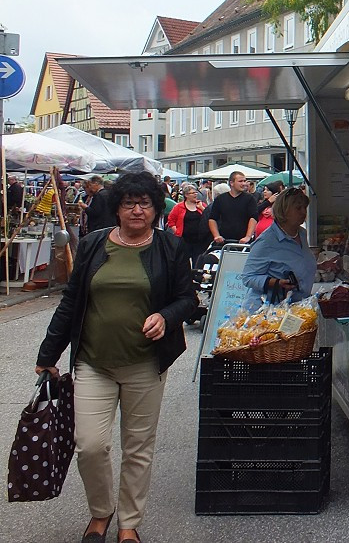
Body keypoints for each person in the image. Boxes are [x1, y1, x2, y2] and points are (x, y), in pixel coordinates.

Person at [34, 171, 196, 543]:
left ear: (156, 209)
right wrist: (48, 354)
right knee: (90, 445)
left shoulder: (171, 248)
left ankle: (128, 523)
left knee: (138, 447)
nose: (137, 210)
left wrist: (166, 317)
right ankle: (100, 512)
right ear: (118, 208)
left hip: (146, 364)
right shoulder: (93, 245)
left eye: (146, 204)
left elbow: (187, 299)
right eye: (129, 203)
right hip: (93, 362)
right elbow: (71, 303)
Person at [241, 187, 316, 308]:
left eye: (304, 208)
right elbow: (248, 277)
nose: (303, 212)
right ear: (284, 210)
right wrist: (276, 283)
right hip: (268, 312)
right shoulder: (267, 241)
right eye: (298, 208)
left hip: (295, 308)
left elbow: (299, 260)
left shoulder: (301, 233)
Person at [205, 171, 258, 245]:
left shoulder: (249, 198)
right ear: (231, 183)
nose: (244, 184)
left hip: (243, 241)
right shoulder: (220, 199)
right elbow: (212, 218)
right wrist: (216, 235)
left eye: (244, 181)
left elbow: (253, 218)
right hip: (224, 241)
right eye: (240, 181)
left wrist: (248, 236)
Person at [166, 183, 208, 269]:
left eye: (196, 192)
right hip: (184, 239)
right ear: (186, 195)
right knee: (183, 262)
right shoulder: (179, 207)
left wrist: (201, 208)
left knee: (198, 262)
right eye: (193, 193)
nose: (195, 194)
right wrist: (176, 231)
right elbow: (171, 220)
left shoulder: (201, 205)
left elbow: (209, 217)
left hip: (199, 240)